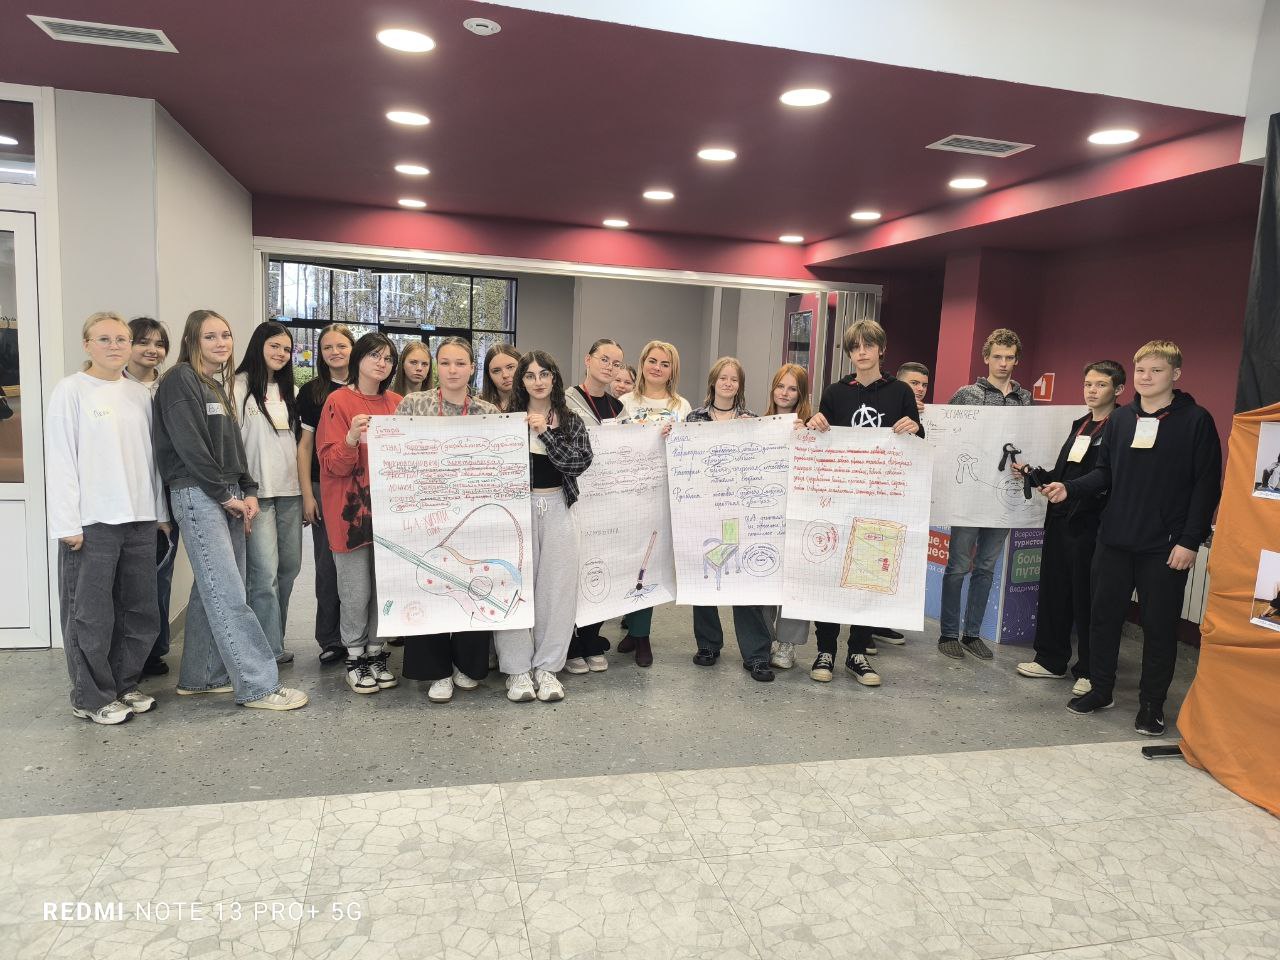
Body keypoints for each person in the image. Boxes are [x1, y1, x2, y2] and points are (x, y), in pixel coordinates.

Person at [1043, 340, 1221, 736]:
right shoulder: (1121, 420)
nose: (1146, 377)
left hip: (1166, 547)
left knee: (1159, 629)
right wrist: (1071, 488)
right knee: (1103, 621)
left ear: (1175, 374)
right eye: (1141, 370)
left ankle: (1151, 705)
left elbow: (1207, 485)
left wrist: (1190, 541)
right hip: (1114, 541)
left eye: (1156, 371)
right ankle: (1101, 689)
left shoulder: (1196, 421)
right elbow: (1105, 472)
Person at [154, 309, 307, 711]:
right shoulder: (180, 379)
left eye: (225, 335)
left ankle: (201, 677)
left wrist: (248, 489)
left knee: (212, 590)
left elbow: (233, 448)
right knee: (228, 593)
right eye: (210, 336)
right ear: (191, 341)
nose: (221, 343)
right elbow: (190, 447)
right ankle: (258, 686)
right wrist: (225, 494)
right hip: (198, 494)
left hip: (228, 494)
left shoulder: (214, 385)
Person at [46, 312, 170, 724]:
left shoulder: (138, 394)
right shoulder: (71, 390)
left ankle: (123, 684)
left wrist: (159, 512)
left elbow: (151, 460)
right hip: (93, 521)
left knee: (139, 609)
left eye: (121, 339)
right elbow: (60, 459)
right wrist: (67, 523)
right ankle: (90, 696)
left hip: (139, 518)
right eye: (104, 339)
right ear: (87, 345)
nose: (114, 346)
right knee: (91, 614)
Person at [806, 320, 922, 687]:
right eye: (855, 346)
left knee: (869, 576)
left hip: (880, 500)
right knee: (831, 574)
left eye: (868, 345)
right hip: (838, 499)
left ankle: (858, 652)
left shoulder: (900, 392)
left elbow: (918, 442)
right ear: (849, 353)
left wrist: (915, 429)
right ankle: (825, 650)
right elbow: (819, 439)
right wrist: (815, 422)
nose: (862, 352)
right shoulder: (835, 392)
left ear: (881, 349)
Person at [396, 337, 499, 702]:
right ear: (436, 366)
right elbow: (395, 455)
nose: (452, 370)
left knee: (471, 584)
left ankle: (467, 665)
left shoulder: (487, 412)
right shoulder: (413, 404)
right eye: (445, 363)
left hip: (471, 517)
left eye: (460, 363)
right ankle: (436, 671)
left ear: (472, 368)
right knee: (431, 586)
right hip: (426, 514)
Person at [1015, 361, 1125, 694]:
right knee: (1054, 590)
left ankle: (1090, 670)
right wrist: (1036, 475)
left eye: (1101, 385)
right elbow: (1067, 474)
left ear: (1118, 389)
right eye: (1088, 384)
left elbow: (1107, 477)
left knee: (1087, 598)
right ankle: (1050, 659)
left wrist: (1070, 490)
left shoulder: (1120, 425)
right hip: (1061, 519)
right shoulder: (1081, 424)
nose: (1092, 390)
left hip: (1091, 524)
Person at [495, 351, 593, 702]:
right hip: (517, 512)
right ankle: (517, 670)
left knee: (557, 589)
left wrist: (546, 434)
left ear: (554, 377)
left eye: (544, 374)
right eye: (530, 375)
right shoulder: (507, 420)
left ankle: (548, 668)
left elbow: (578, 462)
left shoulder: (571, 420)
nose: (538, 382)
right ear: (521, 381)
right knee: (514, 586)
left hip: (558, 509)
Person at [938, 328, 1032, 661]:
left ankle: (972, 634)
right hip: (968, 494)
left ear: (1016, 360)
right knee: (958, 566)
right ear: (986, 358)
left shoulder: (1025, 399)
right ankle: (948, 633)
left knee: (986, 567)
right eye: (997, 357)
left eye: (1009, 357)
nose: (1003, 363)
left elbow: (1031, 442)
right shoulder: (966, 394)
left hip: (1003, 496)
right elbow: (945, 435)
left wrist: (1026, 466)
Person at [318, 333, 402, 695]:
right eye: (374, 356)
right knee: (356, 590)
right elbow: (330, 463)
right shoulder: (338, 401)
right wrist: (351, 437)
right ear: (359, 359)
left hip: (390, 515)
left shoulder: (397, 403)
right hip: (350, 514)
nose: (381, 363)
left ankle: (375, 651)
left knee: (383, 587)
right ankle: (354, 655)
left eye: (388, 358)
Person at [686, 358, 776, 682]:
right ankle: (708, 644)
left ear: (740, 385)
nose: (728, 383)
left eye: (734, 379)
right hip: (702, 509)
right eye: (723, 378)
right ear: (713, 382)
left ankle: (756, 653)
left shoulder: (751, 419)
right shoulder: (694, 418)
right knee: (705, 574)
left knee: (743, 576)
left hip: (738, 511)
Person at [616, 340, 692, 666]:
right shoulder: (624, 402)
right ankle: (633, 629)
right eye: (652, 361)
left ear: (672, 370)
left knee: (648, 564)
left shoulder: (681, 406)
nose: (657, 367)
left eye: (665, 363)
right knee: (627, 563)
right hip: (626, 494)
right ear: (642, 363)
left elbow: (688, 449)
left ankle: (642, 635)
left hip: (662, 494)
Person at [234, 322, 303, 666]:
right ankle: (265, 649)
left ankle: (276, 640)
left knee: (289, 570)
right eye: (274, 346)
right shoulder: (238, 387)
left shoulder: (290, 390)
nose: (281, 353)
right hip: (256, 495)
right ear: (258, 345)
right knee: (264, 575)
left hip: (291, 492)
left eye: (287, 349)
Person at [564, 337, 626, 674]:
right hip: (573, 499)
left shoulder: (619, 409)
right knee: (572, 571)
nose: (610, 367)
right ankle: (570, 644)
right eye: (604, 359)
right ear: (588, 360)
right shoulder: (566, 401)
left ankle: (591, 638)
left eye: (616, 363)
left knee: (601, 569)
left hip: (607, 502)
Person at [297, 324, 354, 665]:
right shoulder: (312, 393)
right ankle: (331, 638)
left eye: (341, 345)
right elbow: (304, 447)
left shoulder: (369, 387)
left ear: (353, 349)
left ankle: (360, 635)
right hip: (324, 486)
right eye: (328, 347)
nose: (335, 352)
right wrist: (308, 494)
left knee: (360, 566)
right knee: (328, 565)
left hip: (361, 487)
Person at [125, 316, 176, 678]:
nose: (152, 350)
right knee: (130, 581)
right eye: (143, 342)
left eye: (159, 344)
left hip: (167, 492)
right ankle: (130, 652)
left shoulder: (168, 387)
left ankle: (154, 650)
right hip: (129, 494)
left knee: (160, 576)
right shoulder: (116, 388)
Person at [762, 363, 813, 668]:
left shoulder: (812, 427)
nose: (785, 393)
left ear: (801, 394)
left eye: (793, 388)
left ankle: (787, 644)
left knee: (795, 578)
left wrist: (808, 437)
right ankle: (764, 636)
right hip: (766, 513)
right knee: (765, 572)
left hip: (798, 511)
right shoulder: (760, 423)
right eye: (780, 386)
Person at [480, 343, 521, 411]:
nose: (505, 375)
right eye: (496, 371)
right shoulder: (478, 406)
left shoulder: (535, 401)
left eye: (510, 367)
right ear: (489, 375)